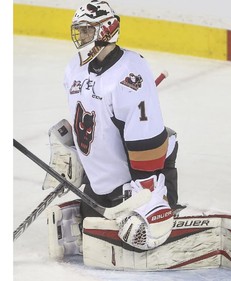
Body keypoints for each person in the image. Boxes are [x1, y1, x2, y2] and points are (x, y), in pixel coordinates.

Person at [44, 0, 179, 257]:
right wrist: (75, 151)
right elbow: (90, 122)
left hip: (134, 181)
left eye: (87, 30)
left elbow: (145, 141)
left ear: (106, 30)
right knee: (92, 223)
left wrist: (147, 192)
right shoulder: (74, 68)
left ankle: (164, 199)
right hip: (102, 182)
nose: (81, 37)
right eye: (79, 30)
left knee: (140, 234)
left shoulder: (130, 72)